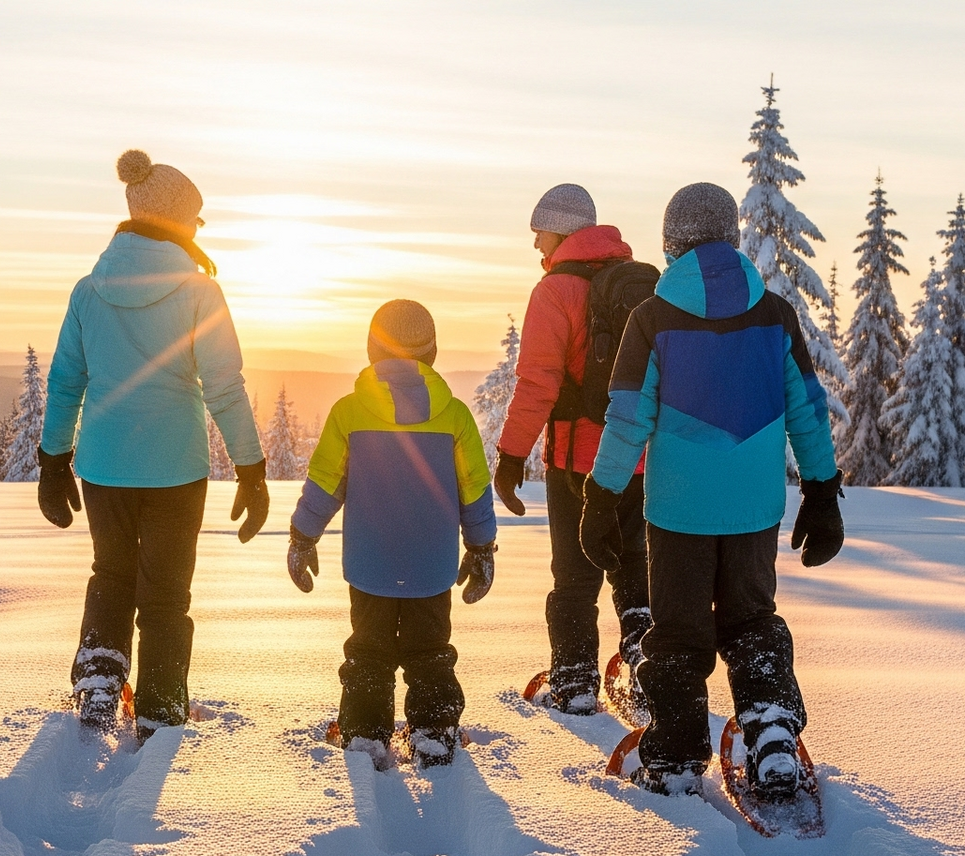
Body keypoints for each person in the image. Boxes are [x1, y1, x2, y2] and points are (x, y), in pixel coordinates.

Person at [580, 182, 844, 798]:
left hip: (677, 512)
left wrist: (600, 496)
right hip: (753, 510)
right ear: (731, 238)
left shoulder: (651, 318)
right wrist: (822, 490)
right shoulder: (774, 314)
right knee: (751, 622)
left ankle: (673, 754)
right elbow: (807, 409)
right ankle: (772, 733)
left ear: (671, 245)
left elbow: (627, 420)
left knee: (679, 633)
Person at [39, 149, 270, 742]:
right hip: (175, 467)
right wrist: (251, 467)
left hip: (104, 466)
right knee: (166, 594)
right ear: (175, 222)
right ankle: (161, 708)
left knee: (111, 575)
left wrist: (53, 460)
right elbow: (225, 387)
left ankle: (97, 685)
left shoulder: (90, 291)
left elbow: (67, 381)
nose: (198, 230)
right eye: (195, 220)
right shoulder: (199, 294)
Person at [286, 300, 497, 769]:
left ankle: (364, 736)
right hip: (430, 566)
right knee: (430, 653)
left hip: (370, 565)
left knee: (368, 652)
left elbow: (325, 482)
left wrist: (303, 535)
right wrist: (481, 547)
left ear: (370, 348)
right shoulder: (456, 417)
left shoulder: (349, 413)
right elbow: (475, 491)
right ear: (433, 352)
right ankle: (435, 733)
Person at [492, 183, 653, 715]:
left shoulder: (555, 291)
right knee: (635, 568)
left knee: (575, 575)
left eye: (539, 230)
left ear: (560, 228)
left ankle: (576, 681)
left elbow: (537, 382)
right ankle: (648, 670)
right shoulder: (641, 285)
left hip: (576, 462)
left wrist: (512, 456)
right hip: (640, 459)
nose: (536, 243)